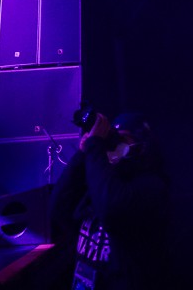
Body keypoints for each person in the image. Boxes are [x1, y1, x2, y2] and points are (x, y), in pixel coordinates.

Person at [50, 111, 169, 290]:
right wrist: (82, 155)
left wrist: (95, 148)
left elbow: (111, 208)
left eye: (123, 139)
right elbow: (59, 208)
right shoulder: (103, 182)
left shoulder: (152, 187)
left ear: (143, 146)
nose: (114, 145)